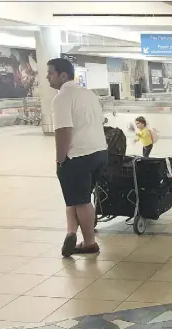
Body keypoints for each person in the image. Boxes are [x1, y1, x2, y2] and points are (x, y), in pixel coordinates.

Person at [47, 58, 107, 257]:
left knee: (81, 201)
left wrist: (60, 158)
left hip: (78, 156)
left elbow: (64, 130)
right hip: (99, 152)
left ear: (63, 75)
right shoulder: (88, 93)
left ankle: (89, 243)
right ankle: (71, 232)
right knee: (76, 197)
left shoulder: (62, 97)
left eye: (50, 73)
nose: (47, 76)